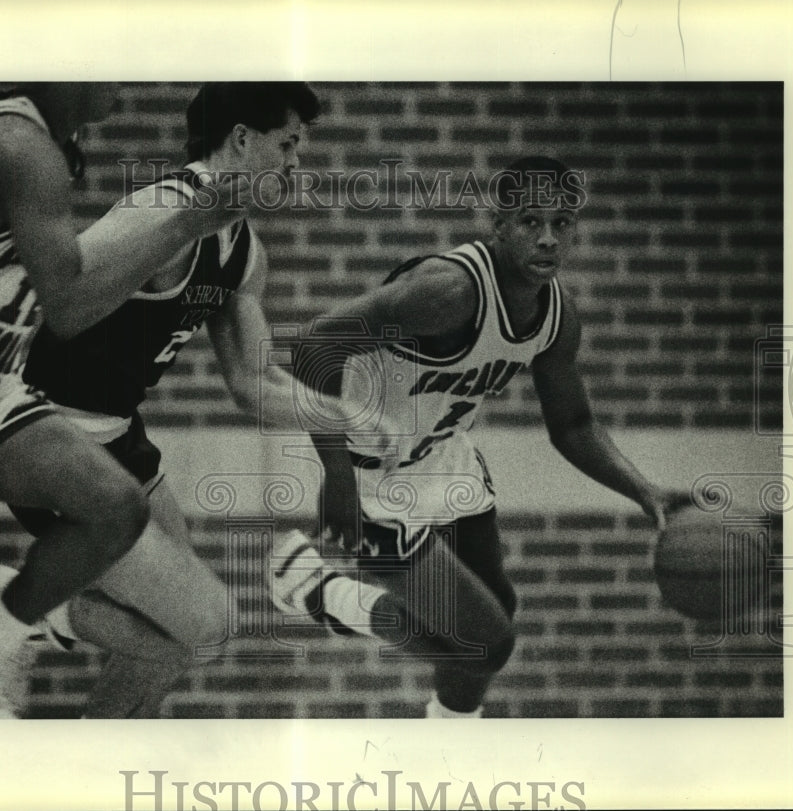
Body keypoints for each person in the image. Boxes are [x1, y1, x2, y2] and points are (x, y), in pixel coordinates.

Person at [0, 82, 401, 718]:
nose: (296, 163)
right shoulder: (161, 209)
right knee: (201, 625)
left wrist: (344, 416)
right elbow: (54, 298)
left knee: (177, 640)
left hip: (118, 438)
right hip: (52, 435)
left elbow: (252, 381)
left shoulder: (243, 252)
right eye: (287, 144)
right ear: (240, 139)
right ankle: (24, 609)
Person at [271, 156, 690, 718]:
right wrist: (337, 475)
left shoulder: (557, 317)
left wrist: (644, 491)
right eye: (530, 221)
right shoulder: (449, 292)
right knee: (485, 644)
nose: (547, 238)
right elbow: (316, 345)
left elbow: (572, 424)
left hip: (442, 456)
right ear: (499, 225)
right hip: (368, 473)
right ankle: (320, 591)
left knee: (496, 610)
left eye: (561, 223)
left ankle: (448, 733)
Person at [0, 82, 252, 719]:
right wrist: (187, 223)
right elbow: (68, 309)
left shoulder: (49, 142)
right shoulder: (22, 145)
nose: (122, 78)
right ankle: (27, 626)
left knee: (115, 507)